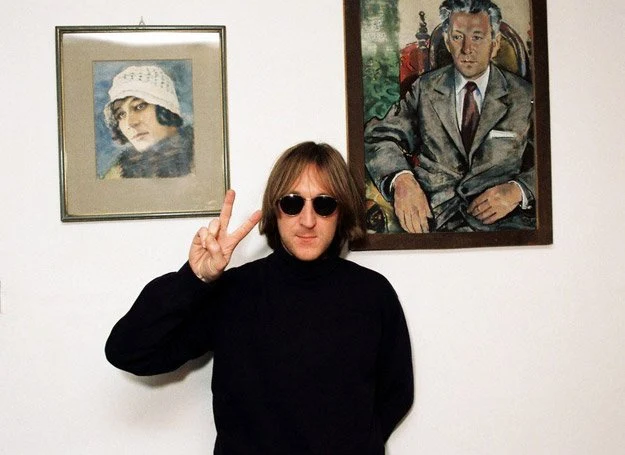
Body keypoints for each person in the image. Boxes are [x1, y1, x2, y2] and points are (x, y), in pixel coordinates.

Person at [105, 142, 414, 454]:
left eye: (324, 204)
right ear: (275, 209)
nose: (307, 220)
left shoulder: (373, 294)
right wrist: (194, 279)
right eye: (292, 203)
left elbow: (397, 391)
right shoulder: (234, 291)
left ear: (341, 211)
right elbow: (129, 352)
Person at [365, 0, 535, 233]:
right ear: (447, 42)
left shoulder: (524, 96)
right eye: (457, 37)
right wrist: (401, 180)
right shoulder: (425, 89)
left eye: (477, 37)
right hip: (431, 222)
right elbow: (377, 136)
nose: (466, 49)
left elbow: (555, 157)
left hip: (502, 227)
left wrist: (519, 190)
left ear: (495, 44)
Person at [102, 65, 194, 178]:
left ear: (166, 109)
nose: (130, 123)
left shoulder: (201, 155)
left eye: (139, 106)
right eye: (121, 114)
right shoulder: (117, 174)